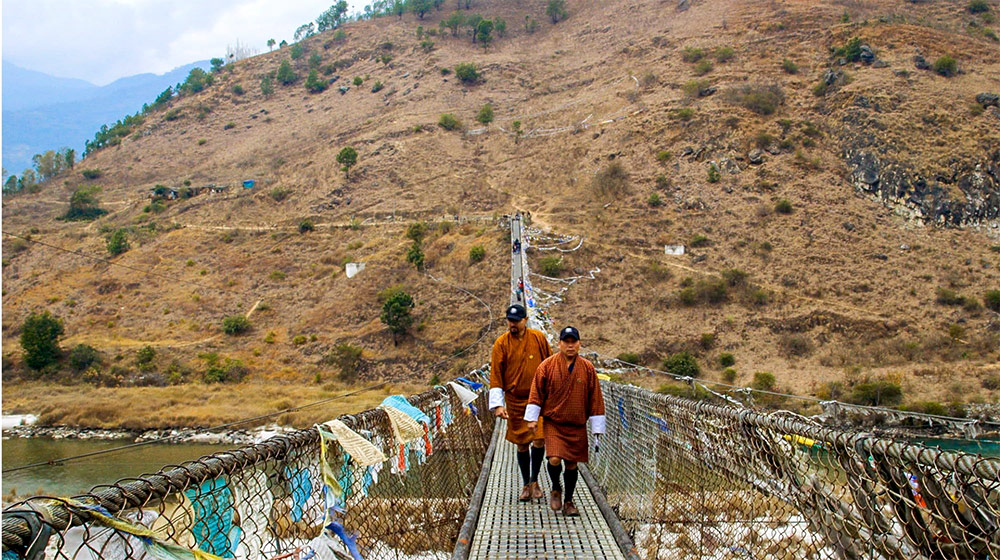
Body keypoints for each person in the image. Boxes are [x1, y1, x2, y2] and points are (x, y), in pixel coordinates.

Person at [525, 326, 605, 517]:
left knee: (571, 464)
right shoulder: (547, 366)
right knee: (554, 458)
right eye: (566, 342)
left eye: (573, 342)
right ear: (559, 343)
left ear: (579, 344)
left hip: (577, 424)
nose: (570, 346)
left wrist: (597, 426)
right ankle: (555, 487)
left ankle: (568, 500)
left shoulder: (587, 368)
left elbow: (595, 398)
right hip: (554, 422)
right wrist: (532, 418)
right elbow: (536, 392)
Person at [490, 303, 553, 502]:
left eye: (517, 320)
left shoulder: (539, 339)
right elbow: (496, 375)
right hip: (515, 400)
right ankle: (526, 484)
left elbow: (551, 365)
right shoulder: (501, 344)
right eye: (510, 320)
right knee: (521, 443)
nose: (513, 324)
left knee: (540, 438)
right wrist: (498, 405)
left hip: (538, 399)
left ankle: (535, 481)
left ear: (525, 320)